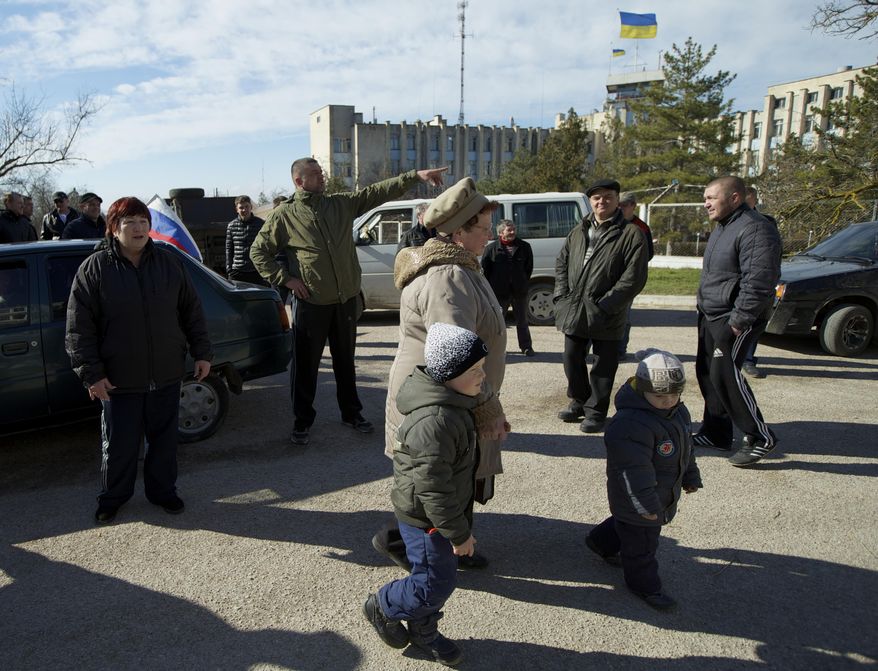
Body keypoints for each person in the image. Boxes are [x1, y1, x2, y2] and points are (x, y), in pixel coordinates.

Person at [249, 158, 446, 446]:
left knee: (345, 361)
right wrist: (287, 279)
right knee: (306, 365)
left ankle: (351, 413)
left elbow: (376, 192)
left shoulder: (340, 204)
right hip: (312, 302)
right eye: (315, 174)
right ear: (299, 181)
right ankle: (302, 421)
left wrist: (415, 176)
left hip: (345, 301)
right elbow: (259, 252)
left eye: (321, 172)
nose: (322, 177)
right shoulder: (285, 215)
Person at [374, 176, 508, 571]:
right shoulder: (447, 277)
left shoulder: (463, 267)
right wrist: (487, 409)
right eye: (483, 229)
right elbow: (456, 354)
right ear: (458, 232)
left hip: (452, 397)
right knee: (437, 477)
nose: (490, 237)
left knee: (450, 473)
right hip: (439, 402)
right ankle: (409, 547)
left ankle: (447, 546)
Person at [65, 196, 213, 524]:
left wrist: (202, 353)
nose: (139, 228)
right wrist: (91, 374)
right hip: (119, 379)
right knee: (120, 445)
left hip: (166, 373)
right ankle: (113, 497)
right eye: (130, 222)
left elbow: (192, 311)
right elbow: (78, 328)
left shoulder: (169, 263)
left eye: (144, 222)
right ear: (114, 229)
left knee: (164, 442)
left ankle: (163, 492)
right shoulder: (95, 269)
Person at [363, 322, 487, 666]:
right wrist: (459, 534)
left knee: (436, 577)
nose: (482, 376)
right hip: (427, 518)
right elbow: (433, 487)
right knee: (436, 582)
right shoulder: (436, 420)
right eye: (474, 370)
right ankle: (385, 604)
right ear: (448, 373)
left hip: (434, 513)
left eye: (482, 368)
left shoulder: (452, 401)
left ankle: (422, 628)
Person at [585, 349, 702, 612]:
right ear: (641, 389)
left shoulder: (678, 413)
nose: (668, 401)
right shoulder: (630, 425)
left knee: (626, 525)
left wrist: (691, 475)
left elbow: (687, 448)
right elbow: (633, 472)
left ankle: (600, 541)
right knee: (643, 544)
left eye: (674, 394)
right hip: (639, 498)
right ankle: (645, 584)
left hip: (655, 494)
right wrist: (647, 506)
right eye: (660, 396)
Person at [693, 176, 782, 466]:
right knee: (707, 372)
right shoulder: (723, 227)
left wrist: (738, 320)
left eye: (711, 197)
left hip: (733, 318)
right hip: (711, 314)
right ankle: (717, 433)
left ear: (734, 198)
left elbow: (759, 281)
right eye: (705, 197)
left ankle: (760, 437)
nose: (705, 203)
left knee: (725, 374)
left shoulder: (756, 228)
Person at [554, 179, 649, 434]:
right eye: (596, 198)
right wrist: (561, 296)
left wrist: (606, 304)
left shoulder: (631, 234)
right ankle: (579, 400)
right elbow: (562, 264)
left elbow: (633, 277)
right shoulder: (578, 230)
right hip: (575, 308)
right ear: (590, 201)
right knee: (571, 358)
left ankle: (596, 411)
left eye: (607, 197)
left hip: (608, 312)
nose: (601, 202)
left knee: (603, 365)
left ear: (617, 200)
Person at [740, 186, 779, 379]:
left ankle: (748, 359)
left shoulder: (766, 223)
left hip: (755, 284)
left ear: (754, 200)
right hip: (734, 284)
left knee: (751, 324)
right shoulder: (728, 223)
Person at [481, 219, 535, 356]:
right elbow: (485, 271)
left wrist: (521, 282)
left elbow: (528, 268)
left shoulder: (524, 247)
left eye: (513, 229)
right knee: (498, 323)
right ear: (500, 233)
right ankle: (496, 348)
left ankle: (526, 347)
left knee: (522, 321)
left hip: (519, 292)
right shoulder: (490, 249)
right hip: (499, 293)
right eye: (509, 230)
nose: (512, 232)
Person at [617, 192, 654, 361]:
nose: (620, 208)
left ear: (633, 206)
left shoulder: (641, 227)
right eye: (618, 205)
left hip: (628, 280)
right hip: (607, 278)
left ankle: (620, 349)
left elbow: (648, 254)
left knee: (624, 316)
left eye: (624, 205)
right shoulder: (612, 224)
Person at [225, 195, 267, 285]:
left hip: (256, 270)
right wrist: (229, 269)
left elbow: (266, 246)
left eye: (246, 207)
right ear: (237, 209)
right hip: (237, 271)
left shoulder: (261, 224)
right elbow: (229, 249)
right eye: (241, 208)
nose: (244, 210)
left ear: (251, 207)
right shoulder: (231, 226)